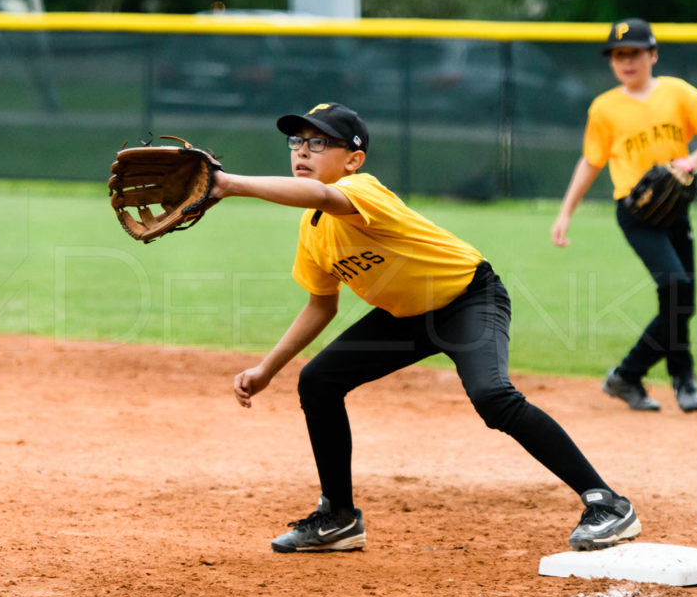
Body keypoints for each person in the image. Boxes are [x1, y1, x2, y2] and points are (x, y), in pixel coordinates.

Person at [210, 101, 641, 553]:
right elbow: (321, 305)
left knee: (493, 398)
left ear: (353, 159)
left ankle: (607, 503)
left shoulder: (363, 190)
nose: (302, 151)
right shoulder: (314, 229)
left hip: (468, 300)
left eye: (319, 142)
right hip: (407, 318)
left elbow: (321, 195)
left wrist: (229, 184)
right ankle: (337, 516)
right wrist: (267, 369)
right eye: (297, 141)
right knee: (318, 381)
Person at [551, 18, 697, 413]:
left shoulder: (678, 92)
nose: (626, 62)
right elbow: (590, 161)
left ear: (653, 54)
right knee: (677, 288)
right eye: (618, 55)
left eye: (633, 53)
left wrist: (691, 161)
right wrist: (566, 212)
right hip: (635, 214)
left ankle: (634, 377)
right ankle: (671, 378)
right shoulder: (604, 108)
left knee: (681, 301)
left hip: (674, 211)